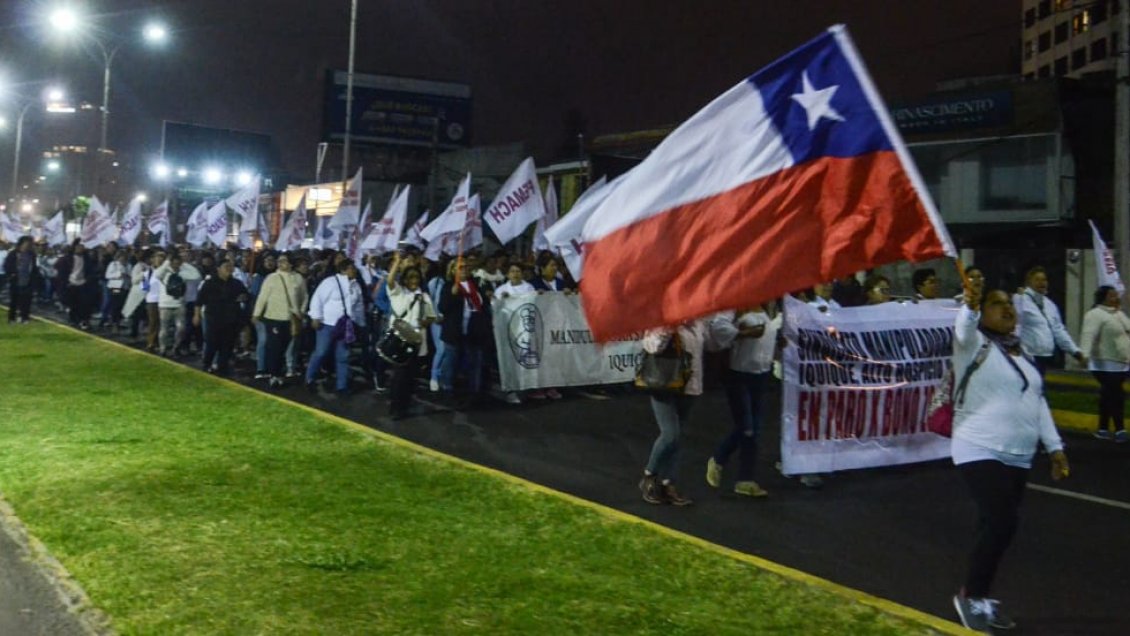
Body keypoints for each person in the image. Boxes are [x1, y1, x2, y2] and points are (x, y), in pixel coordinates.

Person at [950, 287, 1070, 632]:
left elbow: (1038, 401)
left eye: (1008, 304)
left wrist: (1055, 447)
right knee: (1002, 521)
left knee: (994, 527)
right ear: (982, 311)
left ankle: (980, 596)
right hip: (978, 447)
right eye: (996, 304)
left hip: (1019, 456)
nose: (1006, 309)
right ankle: (971, 597)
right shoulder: (971, 343)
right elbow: (964, 326)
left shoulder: (1021, 351)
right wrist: (970, 307)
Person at [706, 304, 780, 497]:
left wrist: (778, 345)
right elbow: (717, 328)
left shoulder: (767, 310)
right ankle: (721, 458)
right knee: (747, 427)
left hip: (761, 375)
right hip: (739, 376)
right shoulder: (736, 307)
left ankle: (744, 479)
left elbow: (767, 342)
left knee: (753, 428)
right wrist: (743, 333)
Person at [638, 320, 708, 506]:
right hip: (663, 384)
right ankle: (649, 475)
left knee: (678, 437)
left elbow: (714, 345)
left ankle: (668, 483)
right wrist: (669, 327)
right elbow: (652, 346)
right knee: (671, 434)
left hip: (690, 385)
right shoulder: (662, 321)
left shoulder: (699, 323)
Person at [384, 253, 437, 418]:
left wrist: (425, 322)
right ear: (405, 279)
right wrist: (397, 262)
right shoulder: (399, 292)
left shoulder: (424, 296)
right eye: (410, 278)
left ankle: (404, 405)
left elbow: (431, 316)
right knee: (399, 375)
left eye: (416, 277)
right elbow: (390, 280)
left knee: (410, 376)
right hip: (400, 339)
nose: (414, 281)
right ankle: (395, 408)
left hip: (416, 340)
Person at [305, 260, 366, 395]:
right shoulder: (330, 282)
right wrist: (316, 317)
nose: (354, 271)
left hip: (345, 326)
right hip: (327, 324)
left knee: (343, 355)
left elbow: (359, 306)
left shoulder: (355, 285)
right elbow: (317, 299)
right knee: (321, 352)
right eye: (352, 268)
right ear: (343, 270)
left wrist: (361, 323)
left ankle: (341, 386)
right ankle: (310, 378)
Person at [1078, 285, 1130, 443]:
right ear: (1103, 298)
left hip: (1121, 363)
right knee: (1116, 395)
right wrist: (1084, 355)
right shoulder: (1095, 314)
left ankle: (1103, 429)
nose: (1116, 298)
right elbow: (1088, 334)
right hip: (1104, 363)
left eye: (1116, 295)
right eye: (1111, 296)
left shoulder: (1119, 314)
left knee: (1108, 394)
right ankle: (1120, 429)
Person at [1013, 266, 1085, 376]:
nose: (1042, 283)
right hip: (1026, 356)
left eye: (1044, 280)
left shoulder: (1050, 305)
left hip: (1044, 357)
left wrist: (1075, 352)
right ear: (1028, 283)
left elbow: (1059, 331)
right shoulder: (1020, 299)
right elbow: (1015, 326)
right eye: (1037, 280)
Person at [252, 253, 308, 388]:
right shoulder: (272, 278)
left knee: (285, 346)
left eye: (284, 261)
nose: (280, 263)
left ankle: (280, 372)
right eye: (280, 261)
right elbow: (262, 297)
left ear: (290, 263)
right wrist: (256, 314)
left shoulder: (298, 278)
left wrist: (301, 312)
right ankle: (274, 374)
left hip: (291, 319)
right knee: (274, 347)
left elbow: (304, 296)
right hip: (273, 318)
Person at [195, 260, 249, 376]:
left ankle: (222, 367)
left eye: (231, 266)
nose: (229, 268)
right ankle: (207, 364)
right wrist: (196, 315)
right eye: (226, 266)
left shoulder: (237, 283)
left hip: (231, 319)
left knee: (227, 345)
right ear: (218, 268)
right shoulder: (209, 283)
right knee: (211, 343)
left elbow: (246, 296)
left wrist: (244, 297)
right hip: (214, 318)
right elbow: (199, 301)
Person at [154, 252, 202, 357]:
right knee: (164, 328)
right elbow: (156, 274)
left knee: (181, 328)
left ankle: (176, 347)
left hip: (179, 304)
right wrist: (167, 262)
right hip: (165, 305)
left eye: (178, 263)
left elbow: (197, 276)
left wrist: (184, 263)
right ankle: (163, 349)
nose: (176, 265)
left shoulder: (183, 273)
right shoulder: (164, 272)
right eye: (174, 263)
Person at [55, 240, 100, 329]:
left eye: (82, 247)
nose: (80, 248)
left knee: (84, 303)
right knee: (73, 304)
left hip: (82, 283)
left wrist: (87, 280)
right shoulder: (67, 258)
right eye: (79, 246)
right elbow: (60, 270)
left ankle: (83, 320)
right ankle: (74, 320)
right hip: (71, 284)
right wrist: (66, 282)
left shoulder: (87, 259)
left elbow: (91, 271)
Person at [3, 236, 42, 324]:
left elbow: (34, 267)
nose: (28, 245)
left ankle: (24, 317)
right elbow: (7, 265)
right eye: (26, 243)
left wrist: (35, 277)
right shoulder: (13, 253)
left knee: (27, 300)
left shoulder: (31, 254)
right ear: (21, 243)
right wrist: (12, 274)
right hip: (16, 280)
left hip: (28, 280)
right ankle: (12, 318)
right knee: (14, 300)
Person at [104, 251, 130, 330]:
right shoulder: (113, 264)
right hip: (115, 287)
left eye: (124, 257)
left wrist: (128, 275)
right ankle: (114, 321)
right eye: (121, 257)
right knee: (115, 304)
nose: (123, 258)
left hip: (124, 287)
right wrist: (118, 274)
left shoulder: (128, 265)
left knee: (121, 304)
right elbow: (107, 275)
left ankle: (119, 321)